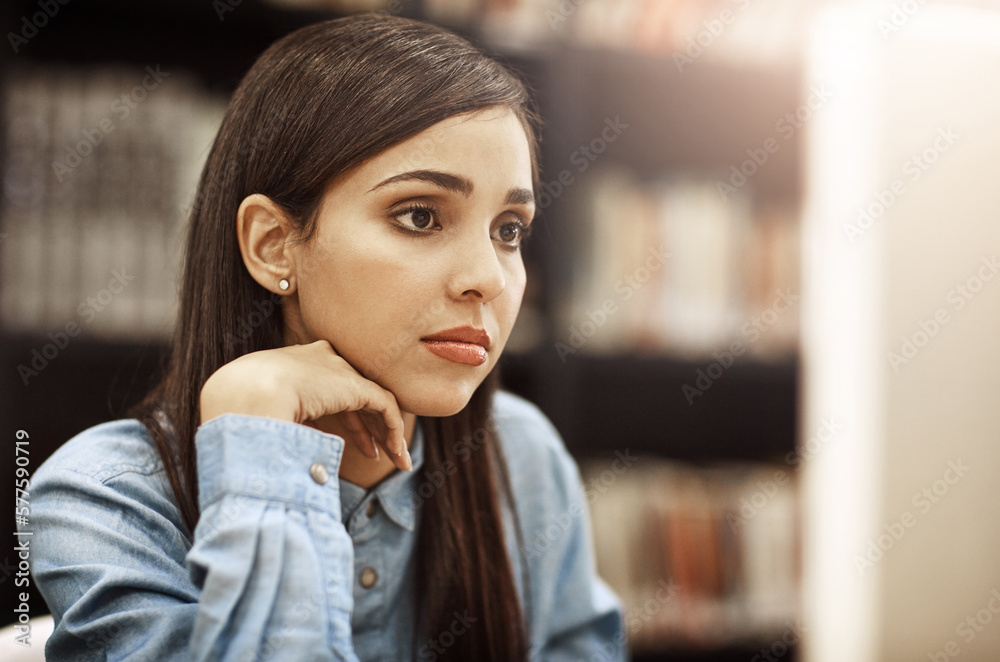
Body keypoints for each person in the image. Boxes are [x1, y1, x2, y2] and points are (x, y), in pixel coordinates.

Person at [25, 13, 626, 661]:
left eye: (508, 229)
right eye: (420, 216)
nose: (488, 278)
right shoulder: (104, 499)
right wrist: (258, 436)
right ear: (274, 244)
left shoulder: (520, 455)